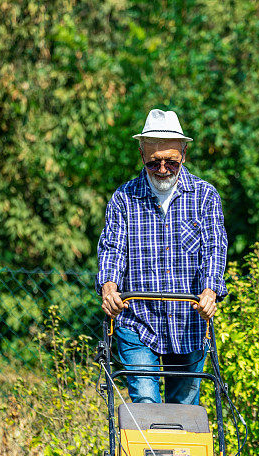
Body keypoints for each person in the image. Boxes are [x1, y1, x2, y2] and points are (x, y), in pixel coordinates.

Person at [96, 109, 228, 404]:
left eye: (171, 161)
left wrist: (209, 291)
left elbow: (214, 249)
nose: (163, 169)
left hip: (188, 321)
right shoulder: (123, 199)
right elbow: (112, 249)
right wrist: (109, 287)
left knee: (183, 413)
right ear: (141, 153)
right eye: (154, 162)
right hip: (138, 321)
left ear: (184, 152)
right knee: (145, 404)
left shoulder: (205, 197)